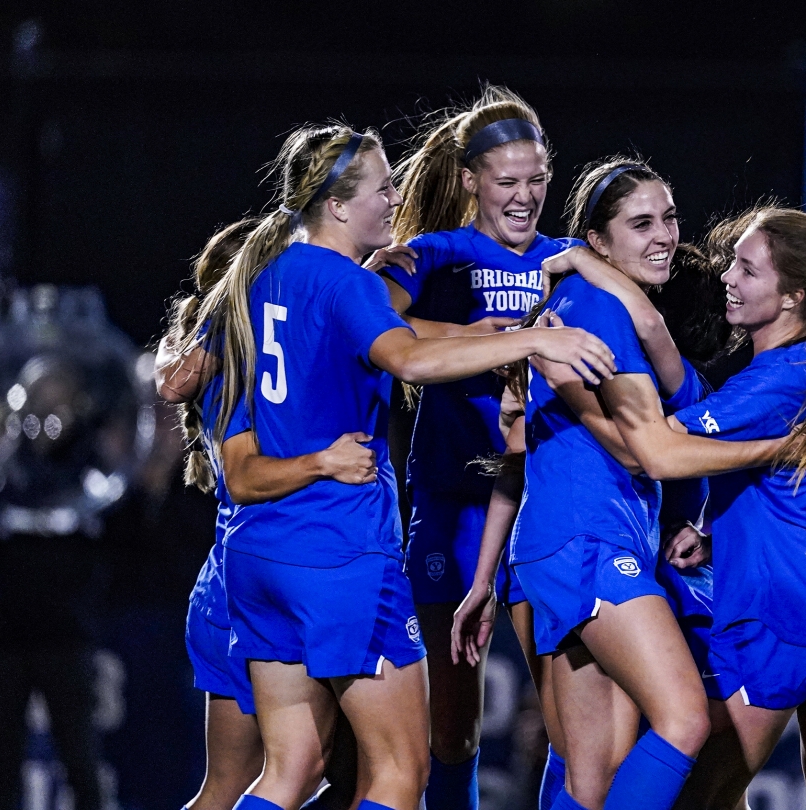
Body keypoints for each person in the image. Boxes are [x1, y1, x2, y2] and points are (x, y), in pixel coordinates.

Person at [188, 122, 615, 810]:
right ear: (335, 205)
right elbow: (408, 360)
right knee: (397, 775)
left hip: (258, 553)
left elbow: (185, 381)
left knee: (290, 769)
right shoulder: (347, 282)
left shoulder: (258, 278)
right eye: (382, 187)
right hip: (340, 552)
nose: (395, 197)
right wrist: (539, 336)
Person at [535, 206, 806, 810]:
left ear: (792, 297)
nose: (728, 279)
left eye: (747, 270)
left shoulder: (771, 381)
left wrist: (569, 389)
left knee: (694, 794)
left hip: (783, 613)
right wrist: (717, 532)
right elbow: (791, 494)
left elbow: (654, 451)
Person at [451, 159, 733, 810]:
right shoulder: (595, 306)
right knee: (684, 718)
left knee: (588, 777)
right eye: (641, 223)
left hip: (555, 545)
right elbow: (644, 451)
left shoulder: (599, 299)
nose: (664, 234)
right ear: (601, 240)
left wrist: (590, 265)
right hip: (588, 541)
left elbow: (666, 403)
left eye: (668, 218)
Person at [365, 86, 582, 810]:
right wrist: (472, 338)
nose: (524, 197)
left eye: (536, 180)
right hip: (452, 504)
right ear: (470, 181)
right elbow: (364, 316)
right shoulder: (438, 255)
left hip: (542, 513)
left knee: (568, 718)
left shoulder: (575, 261)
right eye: (507, 181)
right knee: (452, 727)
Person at [156, 219, 381, 810]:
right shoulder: (234, 363)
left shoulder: (258, 353)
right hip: (261, 580)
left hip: (236, 574)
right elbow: (244, 475)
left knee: (270, 777)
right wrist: (325, 462)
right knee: (305, 770)